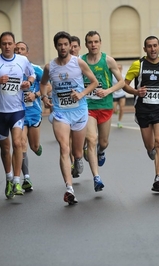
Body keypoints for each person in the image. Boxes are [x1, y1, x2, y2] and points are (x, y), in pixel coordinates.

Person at [40, 31, 98, 205]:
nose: (63, 47)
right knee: (64, 148)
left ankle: (79, 159)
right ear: (56, 46)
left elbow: (94, 82)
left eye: (66, 44)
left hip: (79, 111)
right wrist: (44, 98)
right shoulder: (50, 67)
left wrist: (82, 94)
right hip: (60, 112)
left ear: (69, 46)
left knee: (77, 152)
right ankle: (69, 188)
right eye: (60, 44)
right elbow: (43, 84)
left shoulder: (78, 63)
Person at [0, 32, 35, 199]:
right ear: (0, 45)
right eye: (4, 43)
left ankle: (17, 180)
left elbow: (32, 74)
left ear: (14, 44)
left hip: (17, 110)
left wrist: (28, 82)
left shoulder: (22, 60)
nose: (7, 46)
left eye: (10, 43)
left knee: (18, 143)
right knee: (5, 148)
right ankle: (9, 178)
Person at [123, 36, 159, 192]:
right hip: (143, 110)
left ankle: (158, 178)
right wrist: (136, 91)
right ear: (145, 49)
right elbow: (124, 85)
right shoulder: (138, 65)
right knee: (150, 146)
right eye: (149, 46)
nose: (153, 49)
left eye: (155, 46)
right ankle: (150, 151)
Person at [81, 31, 125, 192]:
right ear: (86, 44)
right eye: (90, 42)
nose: (93, 44)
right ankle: (96, 178)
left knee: (103, 142)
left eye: (96, 41)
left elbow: (121, 82)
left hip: (105, 105)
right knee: (92, 139)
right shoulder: (81, 61)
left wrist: (107, 91)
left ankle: (101, 152)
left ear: (100, 43)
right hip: (88, 106)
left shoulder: (108, 60)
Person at [15, 41, 48, 192]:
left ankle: (37, 147)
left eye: (22, 49)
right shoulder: (10, 71)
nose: (19, 51)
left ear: (27, 53)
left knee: (33, 147)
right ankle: (26, 178)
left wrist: (36, 95)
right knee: (21, 144)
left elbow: (49, 86)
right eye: (17, 50)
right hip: (17, 113)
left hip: (34, 113)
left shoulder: (35, 69)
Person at [69, 35, 81, 178]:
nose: (72, 49)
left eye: (75, 46)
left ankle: (80, 151)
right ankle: (73, 163)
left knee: (86, 138)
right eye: (69, 46)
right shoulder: (60, 64)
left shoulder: (83, 63)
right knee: (69, 137)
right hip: (67, 106)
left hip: (84, 104)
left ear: (79, 47)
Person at [112, 64, 127, 128]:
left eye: (120, 68)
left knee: (122, 108)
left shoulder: (123, 77)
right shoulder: (112, 76)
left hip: (122, 94)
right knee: (113, 110)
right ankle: (116, 111)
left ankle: (119, 121)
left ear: (121, 69)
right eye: (117, 68)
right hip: (114, 95)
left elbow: (125, 85)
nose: (119, 69)